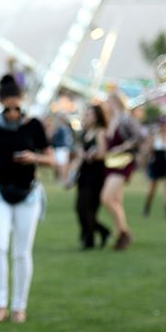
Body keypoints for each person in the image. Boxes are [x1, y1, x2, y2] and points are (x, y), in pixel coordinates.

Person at [0, 73, 54, 323]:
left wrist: (33, 157)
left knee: (22, 252)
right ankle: (0, 303)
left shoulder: (33, 125)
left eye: (17, 106)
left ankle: (19, 306)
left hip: (28, 194)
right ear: (2, 102)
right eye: (9, 107)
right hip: (0, 192)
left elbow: (52, 159)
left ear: (22, 101)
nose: (13, 112)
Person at [100, 90, 141, 250]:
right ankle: (121, 234)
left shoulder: (126, 119)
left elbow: (138, 136)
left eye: (108, 101)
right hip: (111, 163)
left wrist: (122, 147)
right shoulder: (110, 120)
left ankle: (124, 232)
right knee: (116, 200)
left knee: (107, 198)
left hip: (123, 162)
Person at [72, 102, 110, 249]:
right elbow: (79, 153)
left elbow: (103, 153)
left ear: (96, 117)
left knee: (86, 207)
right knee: (83, 207)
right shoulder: (83, 133)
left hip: (96, 174)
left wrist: (92, 155)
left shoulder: (100, 132)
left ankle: (92, 236)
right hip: (84, 173)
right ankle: (95, 235)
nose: (87, 116)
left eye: (90, 114)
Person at [143, 116, 166, 218]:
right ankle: (147, 207)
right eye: (162, 124)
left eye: (165, 124)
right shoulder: (154, 136)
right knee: (152, 188)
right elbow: (148, 151)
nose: (164, 126)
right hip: (156, 162)